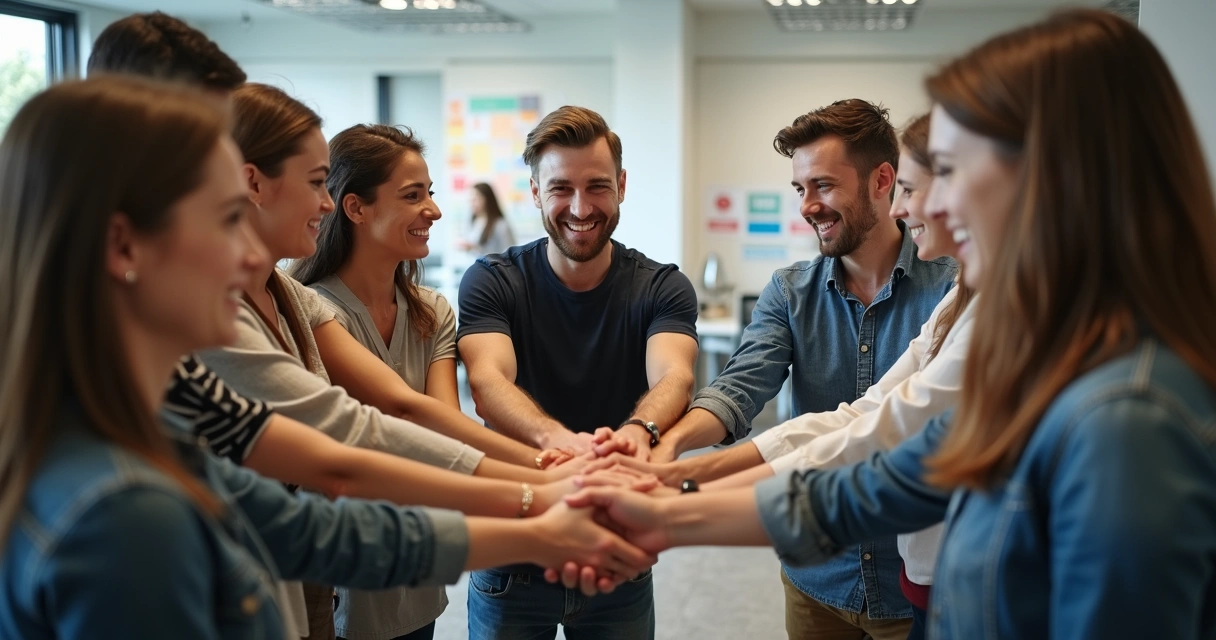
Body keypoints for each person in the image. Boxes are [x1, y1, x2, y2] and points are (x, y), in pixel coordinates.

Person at [563, 9, 1216, 639]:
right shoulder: (1036, 341)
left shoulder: (1127, 412)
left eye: (950, 172)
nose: (930, 203)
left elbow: (884, 439)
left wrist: (671, 501)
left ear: (1059, 173)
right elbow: (884, 471)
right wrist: (670, 502)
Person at [0, 76, 653, 640]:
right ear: (124, 247)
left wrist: (543, 520)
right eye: (226, 219)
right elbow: (351, 444)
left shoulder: (145, 428)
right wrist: (543, 496)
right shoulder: (123, 514)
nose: (254, 257)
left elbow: (311, 529)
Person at [602, 113, 975, 640]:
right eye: (800, 188)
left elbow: (883, 431)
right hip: (821, 574)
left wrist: (678, 501)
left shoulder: (957, 292)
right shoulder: (793, 291)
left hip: (919, 581)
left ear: (883, 182)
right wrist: (669, 454)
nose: (807, 206)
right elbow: (763, 393)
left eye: (823, 185)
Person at [457, 106, 700, 639]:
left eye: (597, 187)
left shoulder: (662, 286)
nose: (580, 207)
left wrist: (638, 431)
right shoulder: (492, 280)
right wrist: (567, 446)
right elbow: (488, 382)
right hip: (514, 547)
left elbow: (674, 379)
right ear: (536, 191)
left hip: (617, 545)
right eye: (561, 188)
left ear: (622, 185)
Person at [288, 124, 470, 640]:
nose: (432, 210)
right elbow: (406, 413)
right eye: (413, 196)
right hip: (343, 576)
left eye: (429, 194)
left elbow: (446, 432)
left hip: (415, 569)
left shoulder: (431, 311)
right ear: (356, 208)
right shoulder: (315, 312)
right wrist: (542, 476)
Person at [457, 182, 516, 256]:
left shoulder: (500, 224)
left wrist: (475, 248)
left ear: (487, 199)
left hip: (493, 266)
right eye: (471, 199)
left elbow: (509, 253)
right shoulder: (474, 221)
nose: (472, 203)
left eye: (476, 199)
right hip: (475, 266)